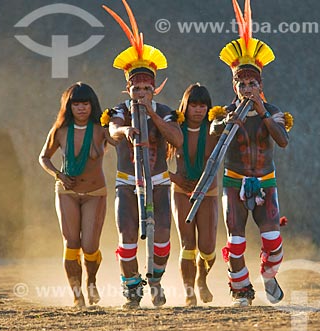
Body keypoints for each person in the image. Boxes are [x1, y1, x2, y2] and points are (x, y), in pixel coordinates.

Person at [211, 0, 292, 307]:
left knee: (272, 240)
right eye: (241, 83)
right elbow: (212, 130)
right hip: (234, 181)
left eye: (252, 83)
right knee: (235, 240)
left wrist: (262, 112)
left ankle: (268, 275)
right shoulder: (226, 112)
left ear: (260, 84)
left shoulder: (272, 111)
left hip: (265, 181)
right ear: (234, 85)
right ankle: (241, 291)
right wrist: (225, 123)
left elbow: (282, 141)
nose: (246, 88)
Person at [102, 0, 183, 309]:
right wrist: (127, 132)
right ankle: (131, 288)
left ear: (154, 90)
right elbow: (112, 132)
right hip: (127, 181)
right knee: (127, 234)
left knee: (162, 231)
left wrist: (152, 115)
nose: (141, 94)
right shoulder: (120, 111)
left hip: (160, 182)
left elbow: (175, 138)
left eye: (146, 90)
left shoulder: (163, 111)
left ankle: (157, 281)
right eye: (136, 90)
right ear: (128, 89)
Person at [38, 82, 110, 308]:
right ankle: (77, 294)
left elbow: (118, 139)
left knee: (89, 245)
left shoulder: (101, 128)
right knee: (71, 243)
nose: (81, 108)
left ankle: (92, 282)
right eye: (76, 104)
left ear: (92, 105)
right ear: (68, 106)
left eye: (85, 103)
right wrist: (58, 174)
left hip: (95, 192)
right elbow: (44, 157)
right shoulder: (60, 130)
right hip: (67, 191)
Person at [168, 83, 219, 306]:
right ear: (185, 106)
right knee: (188, 244)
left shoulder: (216, 128)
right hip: (181, 190)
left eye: (202, 106)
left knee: (207, 247)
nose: (198, 110)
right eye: (193, 105)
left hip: (208, 190)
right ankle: (189, 292)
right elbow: (154, 158)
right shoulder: (174, 127)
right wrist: (176, 179)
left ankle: (202, 279)